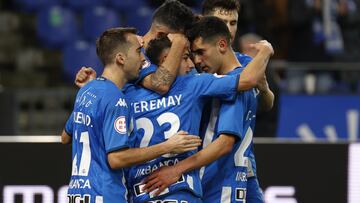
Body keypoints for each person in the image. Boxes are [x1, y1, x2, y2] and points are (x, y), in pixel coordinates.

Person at [60, 27, 202, 203]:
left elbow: (65, 137)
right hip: (106, 196)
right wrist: (167, 146)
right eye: (138, 51)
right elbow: (116, 158)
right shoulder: (116, 99)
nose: (143, 59)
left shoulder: (87, 91)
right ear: (120, 58)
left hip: (77, 195)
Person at [143, 17, 274, 203]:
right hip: (227, 183)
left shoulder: (235, 86)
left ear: (221, 45)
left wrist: (176, 170)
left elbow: (224, 144)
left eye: (200, 52)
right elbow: (266, 102)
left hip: (219, 187)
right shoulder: (231, 81)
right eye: (192, 54)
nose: (196, 60)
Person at [75, 0, 195, 95]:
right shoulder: (134, 54)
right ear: (160, 35)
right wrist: (179, 42)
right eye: (178, 40)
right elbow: (160, 84)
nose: (182, 46)